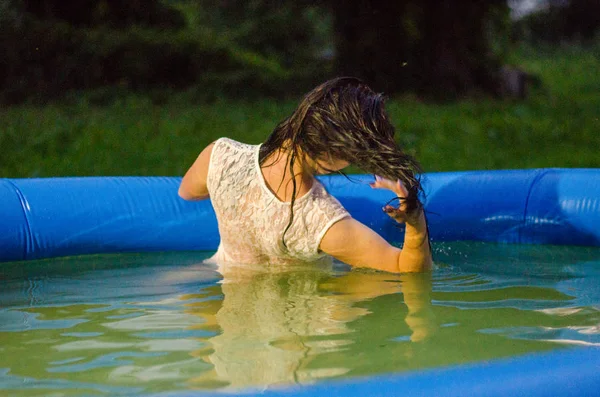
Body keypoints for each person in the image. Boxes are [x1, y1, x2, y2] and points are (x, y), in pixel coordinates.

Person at [178, 77, 432, 273]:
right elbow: (405, 270)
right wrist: (416, 222)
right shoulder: (320, 222)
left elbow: (187, 192)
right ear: (336, 152)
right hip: (295, 328)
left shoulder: (220, 156)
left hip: (230, 311)